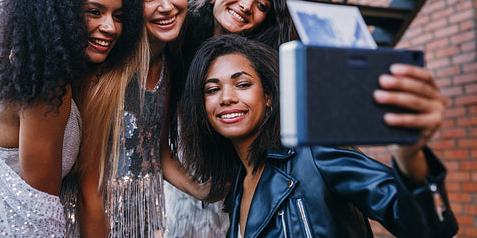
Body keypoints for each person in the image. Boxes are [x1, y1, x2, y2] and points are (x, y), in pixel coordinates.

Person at [179, 34, 459, 238]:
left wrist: (409, 153)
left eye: (242, 84)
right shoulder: (238, 183)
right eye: (212, 89)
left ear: (268, 97)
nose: (227, 98)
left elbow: (427, 228)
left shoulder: (313, 153)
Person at [0, 0, 144, 237]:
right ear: (59, 12)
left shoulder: (43, 69)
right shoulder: (47, 83)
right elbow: (38, 215)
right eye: (94, 12)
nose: (111, 27)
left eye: (118, 15)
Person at [78, 0, 213, 238]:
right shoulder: (106, 74)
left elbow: (157, 152)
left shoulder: (167, 64)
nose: (167, 5)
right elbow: (90, 189)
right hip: (97, 219)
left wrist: (202, 190)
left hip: (147, 215)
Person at [164, 0, 300, 238]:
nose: (247, 5)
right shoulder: (175, 37)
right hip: (175, 184)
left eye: (262, 4)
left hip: (235, 186)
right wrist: (197, 188)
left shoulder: (263, 65)